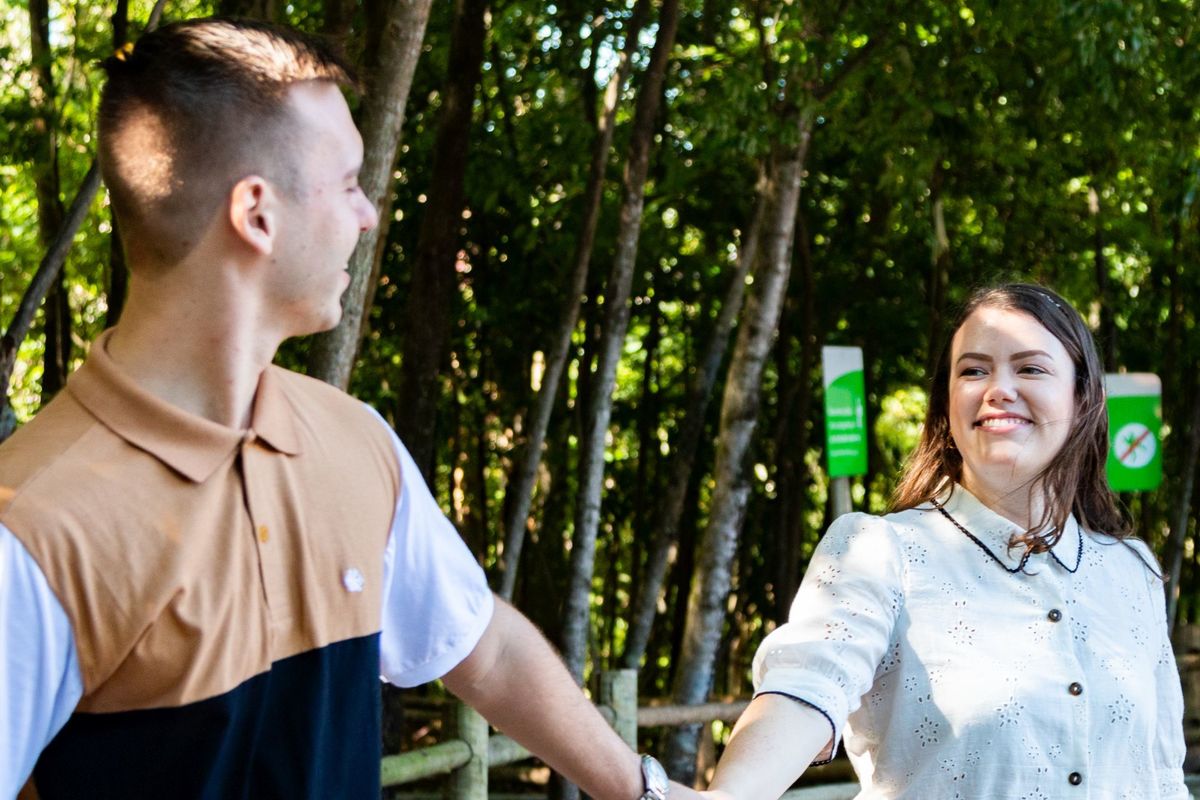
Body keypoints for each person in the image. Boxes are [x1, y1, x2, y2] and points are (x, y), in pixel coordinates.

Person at [0, 18, 699, 800]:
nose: (367, 216)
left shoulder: (354, 441)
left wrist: (645, 793)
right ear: (257, 214)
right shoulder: (30, 528)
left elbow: (485, 648)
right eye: (347, 185)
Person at [700, 284, 1188, 799]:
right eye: (973, 371)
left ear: (1082, 397)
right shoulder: (878, 551)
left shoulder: (1133, 570)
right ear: (947, 407)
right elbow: (805, 689)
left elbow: (1161, 774)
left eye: (1030, 368)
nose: (998, 389)